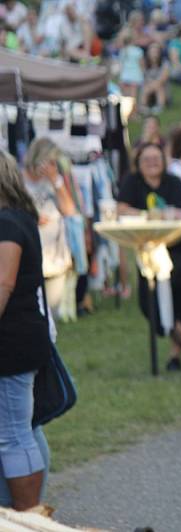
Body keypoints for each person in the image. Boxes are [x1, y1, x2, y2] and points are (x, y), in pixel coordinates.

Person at [118, 143, 181, 371]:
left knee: (180, 302)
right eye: (146, 159)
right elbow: (121, 209)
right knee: (150, 304)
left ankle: (175, 356)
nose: (152, 163)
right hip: (148, 252)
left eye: (156, 158)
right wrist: (150, 215)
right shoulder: (132, 182)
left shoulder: (174, 182)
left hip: (177, 249)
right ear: (138, 163)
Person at [0, 149, 51, 511]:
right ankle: (25, 513)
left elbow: (3, 284)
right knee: (23, 427)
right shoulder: (20, 217)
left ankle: (28, 514)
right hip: (23, 336)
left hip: (10, 341)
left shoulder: (7, 224)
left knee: (13, 433)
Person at [22, 138, 75, 316]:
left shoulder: (55, 181)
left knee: (52, 314)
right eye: (49, 162)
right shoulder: (19, 180)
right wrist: (31, 217)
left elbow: (69, 210)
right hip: (26, 254)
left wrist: (56, 182)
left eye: (54, 163)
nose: (51, 166)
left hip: (54, 256)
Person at [118, 30, 145, 114]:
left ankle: (124, 112)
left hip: (125, 76)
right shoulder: (138, 51)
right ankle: (134, 113)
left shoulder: (123, 51)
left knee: (125, 96)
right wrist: (143, 74)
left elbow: (121, 66)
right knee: (133, 97)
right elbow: (142, 65)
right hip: (135, 76)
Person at [140, 42, 170, 114]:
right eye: (152, 51)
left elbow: (163, 79)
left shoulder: (165, 63)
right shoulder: (143, 63)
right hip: (148, 88)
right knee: (147, 87)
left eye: (156, 51)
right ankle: (144, 107)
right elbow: (142, 76)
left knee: (159, 86)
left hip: (162, 90)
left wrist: (153, 84)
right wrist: (151, 84)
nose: (154, 53)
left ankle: (160, 107)